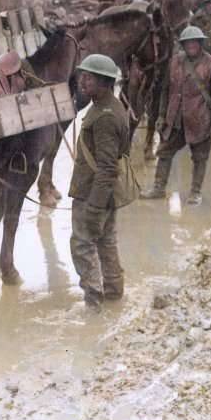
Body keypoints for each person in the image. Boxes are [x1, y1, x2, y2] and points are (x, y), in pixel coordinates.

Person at [139, 26, 211, 206]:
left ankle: (195, 192)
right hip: (175, 120)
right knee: (164, 152)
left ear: (201, 43)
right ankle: (158, 188)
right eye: (188, 43)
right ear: (183, 45)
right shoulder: (175, 62)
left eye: (195, 42)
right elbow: (165, 90)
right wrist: (162, 116)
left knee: (200, 157)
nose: (192, 46)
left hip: (200, 120)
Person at [68, 54, 130, 311]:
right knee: (106, 240)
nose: (82, 81)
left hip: (94, 194)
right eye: (82, 75)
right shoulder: (109, 107)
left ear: (105, 82)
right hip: (105, 194)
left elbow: (107, 167)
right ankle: (114, 293)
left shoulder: (104, 117)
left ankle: (93, 303)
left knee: (82, 245)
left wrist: (93, 207)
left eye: (89, 77)